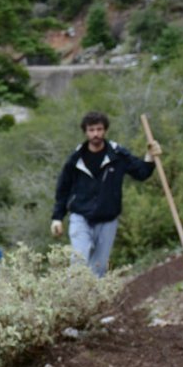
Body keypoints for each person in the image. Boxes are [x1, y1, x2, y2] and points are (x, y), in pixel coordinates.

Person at [51, 111, 160, 277]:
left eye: (99, 129)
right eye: (92, 130)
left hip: (108, 219)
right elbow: (63, 188)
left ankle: (94, 302)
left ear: (105, 130)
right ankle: (73, 300)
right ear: (85, 132)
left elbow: (141, 172)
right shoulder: (75, 159)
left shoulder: (117, 155)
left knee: (99, 267)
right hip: (80, 217)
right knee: (78, 263)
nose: (96, 134)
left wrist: (150, 156)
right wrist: (57, 217)